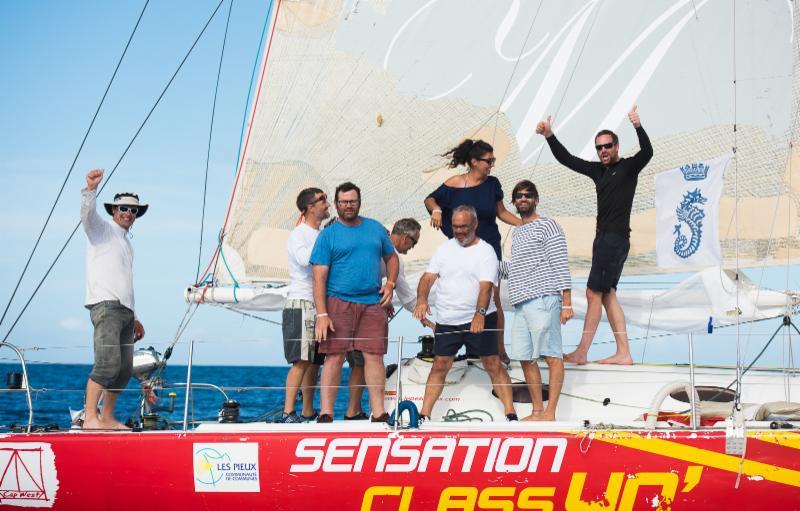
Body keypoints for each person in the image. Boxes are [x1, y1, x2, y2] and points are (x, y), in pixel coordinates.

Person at [536, 106, 653, 365]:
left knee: (593, 294)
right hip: (608, 240)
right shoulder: (598, 171)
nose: (603, 151)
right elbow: (567, 159)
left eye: (608, 146)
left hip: (613, 239)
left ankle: (582, 352)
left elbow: (648, 152)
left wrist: (637, 125)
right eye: (599, 147)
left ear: (617, 146)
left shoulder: (629, 167)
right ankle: (624, 353)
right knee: (608, 294)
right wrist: (549, 135)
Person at [413, 205, 517, 421]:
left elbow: (486, 286)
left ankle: (510, 413)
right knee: (440, 364)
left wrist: (479, 314)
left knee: (493, 364)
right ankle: (424, 414)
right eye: (455, 227)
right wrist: (422, 299)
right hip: (448, 320)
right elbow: (427, 278)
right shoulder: (444, 249)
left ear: (475, 225)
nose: (459, 231)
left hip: (479, 319)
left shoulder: (486, 251)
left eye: (464, 227)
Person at [424, 139, 521, 360]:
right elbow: (430, 199)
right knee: (463, 294)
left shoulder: (492, 184)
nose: (492, 165)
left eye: (493, 160)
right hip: (460, 249)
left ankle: (498, 352)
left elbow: (502, 212)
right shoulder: (455, 184)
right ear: (474, 161)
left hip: (488, 248)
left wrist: (525, 224)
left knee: (493, 299)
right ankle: (467, 348)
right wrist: (437, 210)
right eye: (489, 161)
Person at [311, 182, 399, 423]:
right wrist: (322, 314)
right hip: (338, 302)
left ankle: (379, 412)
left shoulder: (376, 229)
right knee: (334, 356)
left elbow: (392, 258)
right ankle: (326, 412)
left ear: (359, 202)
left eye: (352, 201)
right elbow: (318, 277)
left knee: (374, 356)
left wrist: (390, 284)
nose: (348, 205)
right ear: (337, 204)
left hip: (373, 302)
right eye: (343, 202)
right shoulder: (327, 235)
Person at [80, 168, 147, 430]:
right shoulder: (102, 231)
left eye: (133, 210)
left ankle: (106, 418)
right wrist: (91, 190)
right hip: (106, 306)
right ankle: (89, 418)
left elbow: (123, 281)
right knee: (107, 364)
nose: (128, 213)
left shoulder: (127, 245)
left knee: (123, 370)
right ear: (113, 210)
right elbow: (86, 216)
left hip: (125, 311)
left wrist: (135, 317)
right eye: (123, 208)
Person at [345, 218, 431, 420]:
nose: (413, 248)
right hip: (353, 308)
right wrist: (429, 323)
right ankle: (354, 411)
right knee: (361, 361)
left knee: (358, 362)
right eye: (414, 242)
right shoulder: (388, 252)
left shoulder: (382, 247)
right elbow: (407, 296)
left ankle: (353, 411)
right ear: (403, 237)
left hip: (355, 306)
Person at [500, 181, 572, 421]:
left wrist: (567, 301)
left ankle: (551, 412)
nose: (523, 199)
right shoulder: (518, 231)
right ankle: (538, 410)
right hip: (521, 303)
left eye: (528, 195)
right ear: (514, 202)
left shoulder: (547, 225)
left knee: (551, 355)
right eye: (519, 196)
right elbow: (517, 267)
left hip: (544, 298)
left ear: (536, 199)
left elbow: (560, 261)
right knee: (524, 356)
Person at [278, 187, 330, 423]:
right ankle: (288, 412)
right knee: (301, 361)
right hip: (301, 303)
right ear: (309, 208)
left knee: (313, 363)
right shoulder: (299, 234)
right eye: (322, 200)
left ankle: (308, 411)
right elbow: (304, 258)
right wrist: (328, 237)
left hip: (317, 306)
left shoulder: (318, 234)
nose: (327, 204)